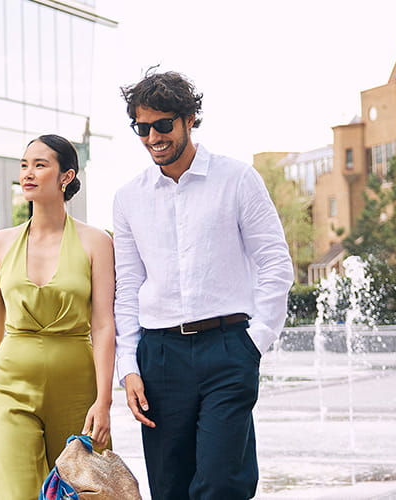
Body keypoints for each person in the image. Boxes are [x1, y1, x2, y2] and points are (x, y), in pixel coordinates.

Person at [113, 70, 294, 499]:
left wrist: (255, 342)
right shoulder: (128, 197)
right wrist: (129, 367)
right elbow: (128, 285)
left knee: (220, 483)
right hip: (158, 356)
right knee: (170, 486)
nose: (153, 136)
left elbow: (274, 263)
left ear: (189, 118)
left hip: (226, 348)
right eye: (142, 127)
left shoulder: (238, 179)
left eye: (163, 124)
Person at [0, 134, 117, 499]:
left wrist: (104, 399)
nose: (28, 173)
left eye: (40, 165)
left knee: (82, 490)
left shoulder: (97, 241)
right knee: (16, 493)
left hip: (78, 389)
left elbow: (104, 324)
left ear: (66, 176)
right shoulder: (0, 243)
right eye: (24, 165)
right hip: (11, 386)